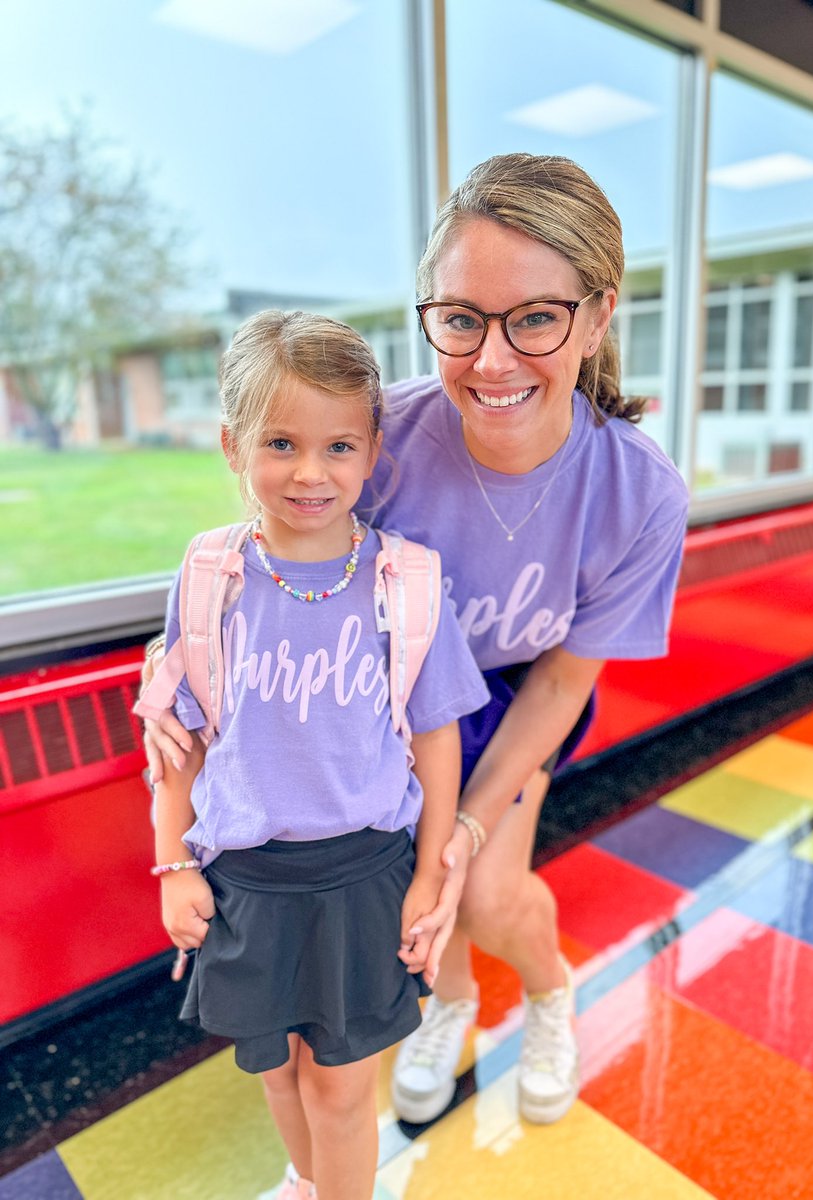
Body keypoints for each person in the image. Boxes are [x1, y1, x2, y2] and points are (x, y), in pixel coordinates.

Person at [145, 153, 689, 1134]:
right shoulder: (379, 436)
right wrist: (174, 659)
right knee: (407, 889)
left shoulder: (640, 494)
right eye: (461, 318)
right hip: (378, 701)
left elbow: (567, 678)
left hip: (520, 694)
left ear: (599, 315)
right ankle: (452, 1004)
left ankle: (548, 986)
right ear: (430, 312)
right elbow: (270, 552)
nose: (491, 359)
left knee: (476, 890)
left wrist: (472, 826)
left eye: (535, 318)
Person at [144, 310, 489, 1200]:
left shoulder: (404, 581)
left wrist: (430, 873)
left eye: (338, 446)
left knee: (340, 1082)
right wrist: (174, 863)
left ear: (372, 452)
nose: (310, 471)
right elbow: (177, 736)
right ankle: (306, 1182)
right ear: (232, 445)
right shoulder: (209, 574)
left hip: (364, 874)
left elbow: (438, 735)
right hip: (246, 877)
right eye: (281, 442)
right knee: (277, 1067)